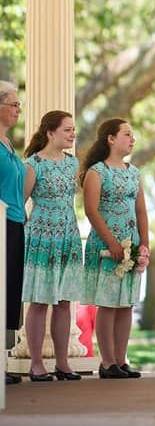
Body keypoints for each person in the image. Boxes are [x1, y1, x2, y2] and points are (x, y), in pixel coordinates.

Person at [81, 118, 149, 379]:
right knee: (108, 303)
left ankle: (121, 360)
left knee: (126, 304)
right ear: (110, 138)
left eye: (132, 135)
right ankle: (106, 362)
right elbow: (91, 210)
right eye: (127, 134)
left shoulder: (134, 173)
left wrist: (144, 243)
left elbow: (141, 210)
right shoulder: (97, 172)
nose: (132, 139)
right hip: (106, 244)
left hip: (131, 243)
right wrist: (111, 241)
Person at [22, 111, 83, 381]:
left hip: (68, 233)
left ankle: (63, 363)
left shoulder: (73, 164)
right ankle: (36, 364)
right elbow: (19, 201)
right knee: (38, 301)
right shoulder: (33, 164)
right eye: (67, 130)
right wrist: (30, 232)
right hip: (41, 237)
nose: (72, 134)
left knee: (64, 302)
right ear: (50, 133)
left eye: (73, 130)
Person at [0, 80, 24, 384]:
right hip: (1, 221)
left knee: (10, 292)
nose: (18, 109)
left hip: (17, 222)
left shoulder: (9, 143)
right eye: (13, 104)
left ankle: (3, 364)